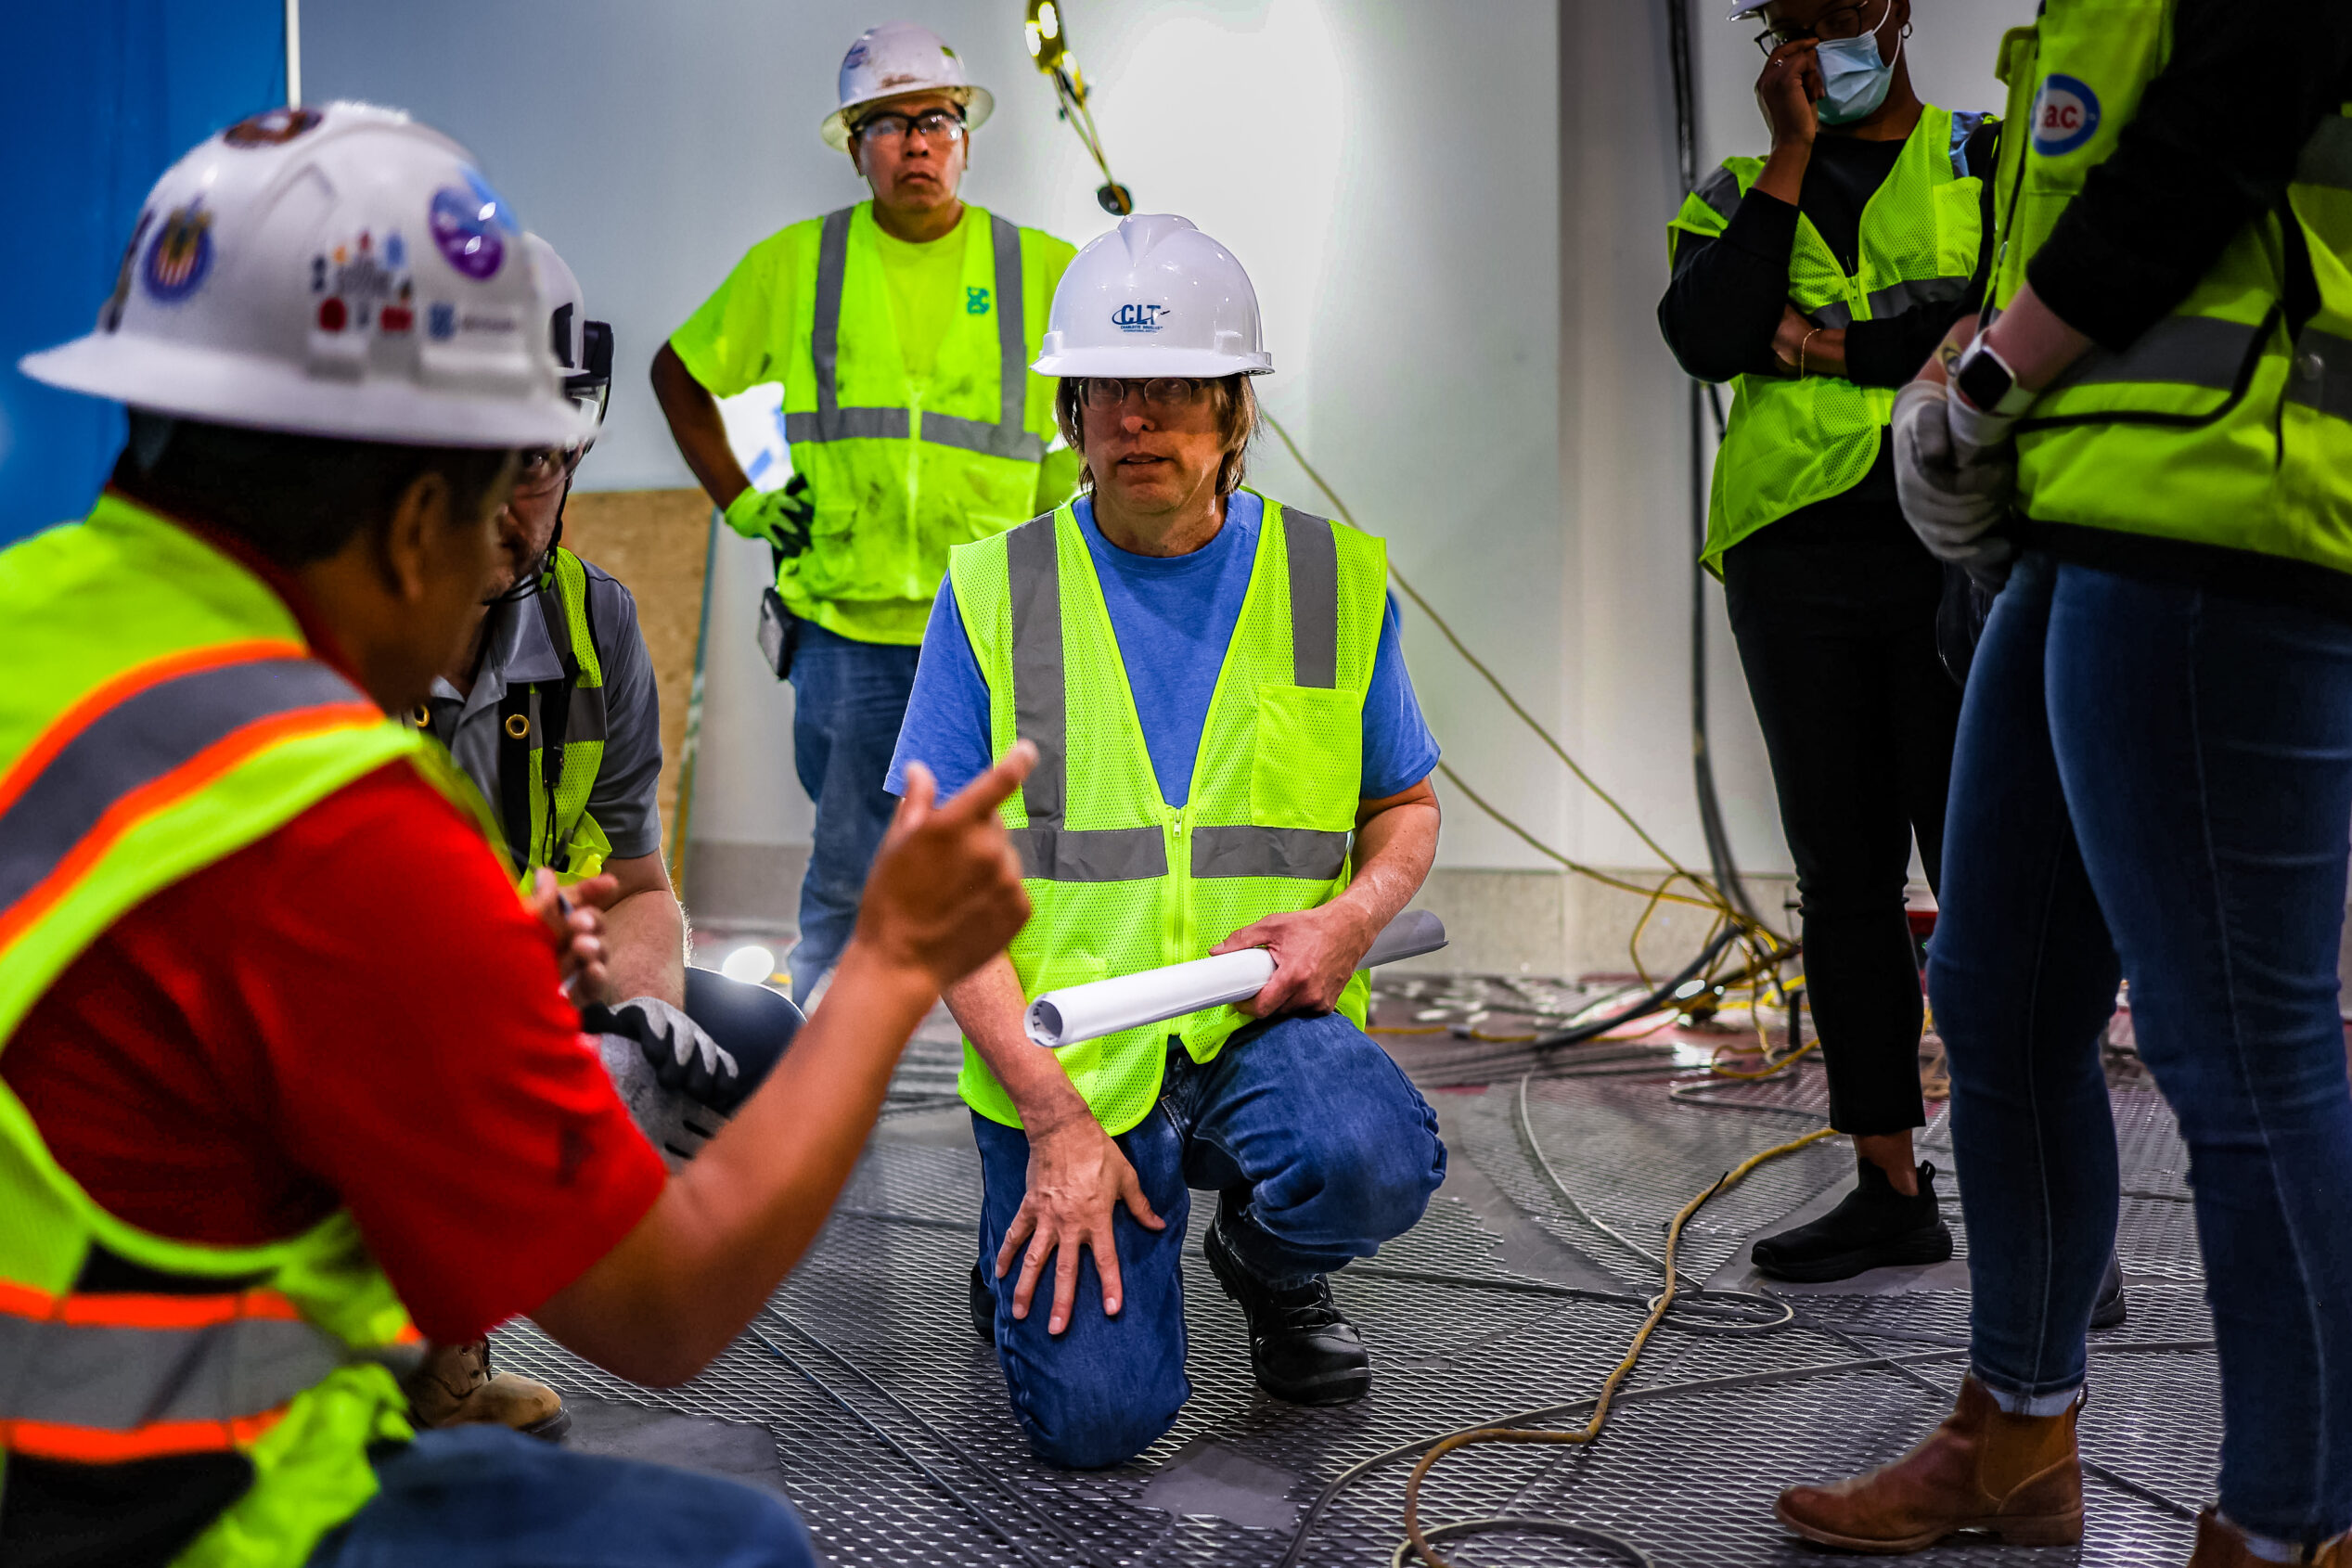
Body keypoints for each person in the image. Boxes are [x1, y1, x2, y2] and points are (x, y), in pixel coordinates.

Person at [0, 102, 1032, 1568]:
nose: (508, 551)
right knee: (734, 1547)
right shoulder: (327, 816)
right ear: (423, 517)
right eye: (499, 501)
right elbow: (667, 1308)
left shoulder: (28, 618)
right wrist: (890, 954)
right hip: (150, 1511)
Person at [1774, 3, 2352, 1562]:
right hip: (2083, 518)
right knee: (2003, 991)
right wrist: (1983, 380)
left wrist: (1985, 380)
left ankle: (2301, 1519)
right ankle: (2017, 1431)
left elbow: (2207, 142)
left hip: (2225, 512)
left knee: (2239, 1049)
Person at [885, 213, 1449, 1469]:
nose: (1136, 418)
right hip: (1072, 1068)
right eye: (1107, 390)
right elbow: (933, 893)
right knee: (1098, 1422)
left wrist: (1346, 920)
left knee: (1370, 1154)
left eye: (1173, 388)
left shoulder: (1331, 576)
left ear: (1230, 411)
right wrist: (1048, 1118)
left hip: (1263, 1029)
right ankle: (1018, 1247)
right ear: (1072, 409)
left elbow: (1400, 808)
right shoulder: (992, 588)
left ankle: (1265, 1267)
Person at [401, 234, 810, 1442]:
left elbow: (637, 884)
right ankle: (338, 1348)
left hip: (505, 975)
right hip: (360, 1001)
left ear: (574, 453)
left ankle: (444, 1338)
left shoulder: (597, 628)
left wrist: (635, 1027)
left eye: (530, 462)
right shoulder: (337, 620)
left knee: (748, 1045)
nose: (499, 504)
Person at [1658, 0, 2003, 1285]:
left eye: (1839, 8)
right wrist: (1789, 156)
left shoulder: (1981, 156)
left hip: (1952, 552)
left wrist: (1819, 345)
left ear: (1895, 12)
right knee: (1843, 880)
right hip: (1791, 560)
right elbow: (1703, 334)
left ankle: (2041, 1195)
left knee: (1985, 871)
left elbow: (1993, 324)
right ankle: (1886, 1185)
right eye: (1788, 16)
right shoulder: (1738, 188)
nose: (1818, 36)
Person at [653, 21, 1081, 1005]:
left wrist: (1064, 511)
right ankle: (817, 1099)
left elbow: (1100, 414)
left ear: (966, 135)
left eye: (934, 118)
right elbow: (678, 372)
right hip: (848, 629)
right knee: (848, 872)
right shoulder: (798, 266)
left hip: (990, 631)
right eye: (886, 125)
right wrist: (745, 501)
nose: (916, 142)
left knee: (1020, 870)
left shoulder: (1041, 269)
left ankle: (1034, 1077)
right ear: (856, 149)